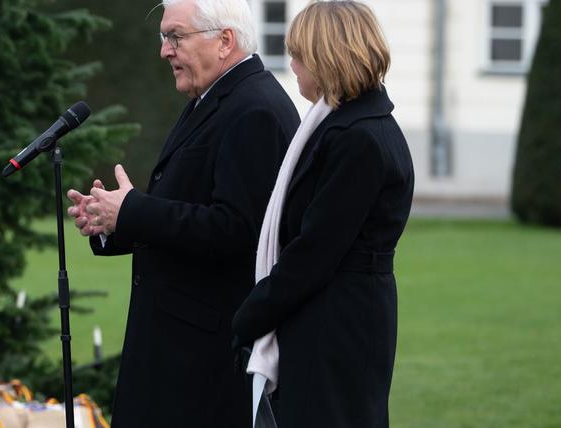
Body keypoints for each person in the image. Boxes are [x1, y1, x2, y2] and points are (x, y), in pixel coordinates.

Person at [66, 0, 298, 425]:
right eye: (164, 37)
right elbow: (188, 208)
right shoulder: (214, 97)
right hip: (177, 348)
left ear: (224, 40)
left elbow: (236, 230)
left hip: (203, 359)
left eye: (176, 36)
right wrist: (113, 220)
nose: (164, 51)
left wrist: (134, 210)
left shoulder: (255, 109)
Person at [231, 1, 414, 427]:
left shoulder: (358, 137)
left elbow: (315, 250)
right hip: (334, 317)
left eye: (298, 54)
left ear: (327, 57)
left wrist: (249, 316)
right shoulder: (348, 125)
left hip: (339, 325)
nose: (291, 65)